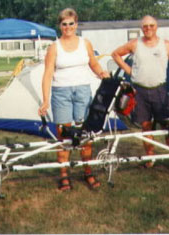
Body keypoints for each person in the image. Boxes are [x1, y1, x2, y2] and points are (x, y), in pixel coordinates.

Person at [111, 15, 169, 174]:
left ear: (156, 26)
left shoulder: (166, 45)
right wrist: (130, 72)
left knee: (167, 126)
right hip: (139, 92)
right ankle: (150, 158)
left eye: (151, 25)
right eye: (145, 26)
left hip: (159, 91)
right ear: (141, 28)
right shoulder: (135, 44)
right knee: (146, 126)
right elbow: (115, 54)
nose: (148, 28)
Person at [38, 8, 110, 191]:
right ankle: (64, 175)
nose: (68, 27)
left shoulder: (85, 43)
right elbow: (47, 75)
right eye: (64, 24)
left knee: (85, 135)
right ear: (60, 26)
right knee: (64, 136)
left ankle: (87, 171)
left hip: (83, 92)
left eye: (71, 23)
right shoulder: (54, 47)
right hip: (61, 93)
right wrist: (45, 100)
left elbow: (93, 63)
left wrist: (101, 72)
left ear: (76, 24)